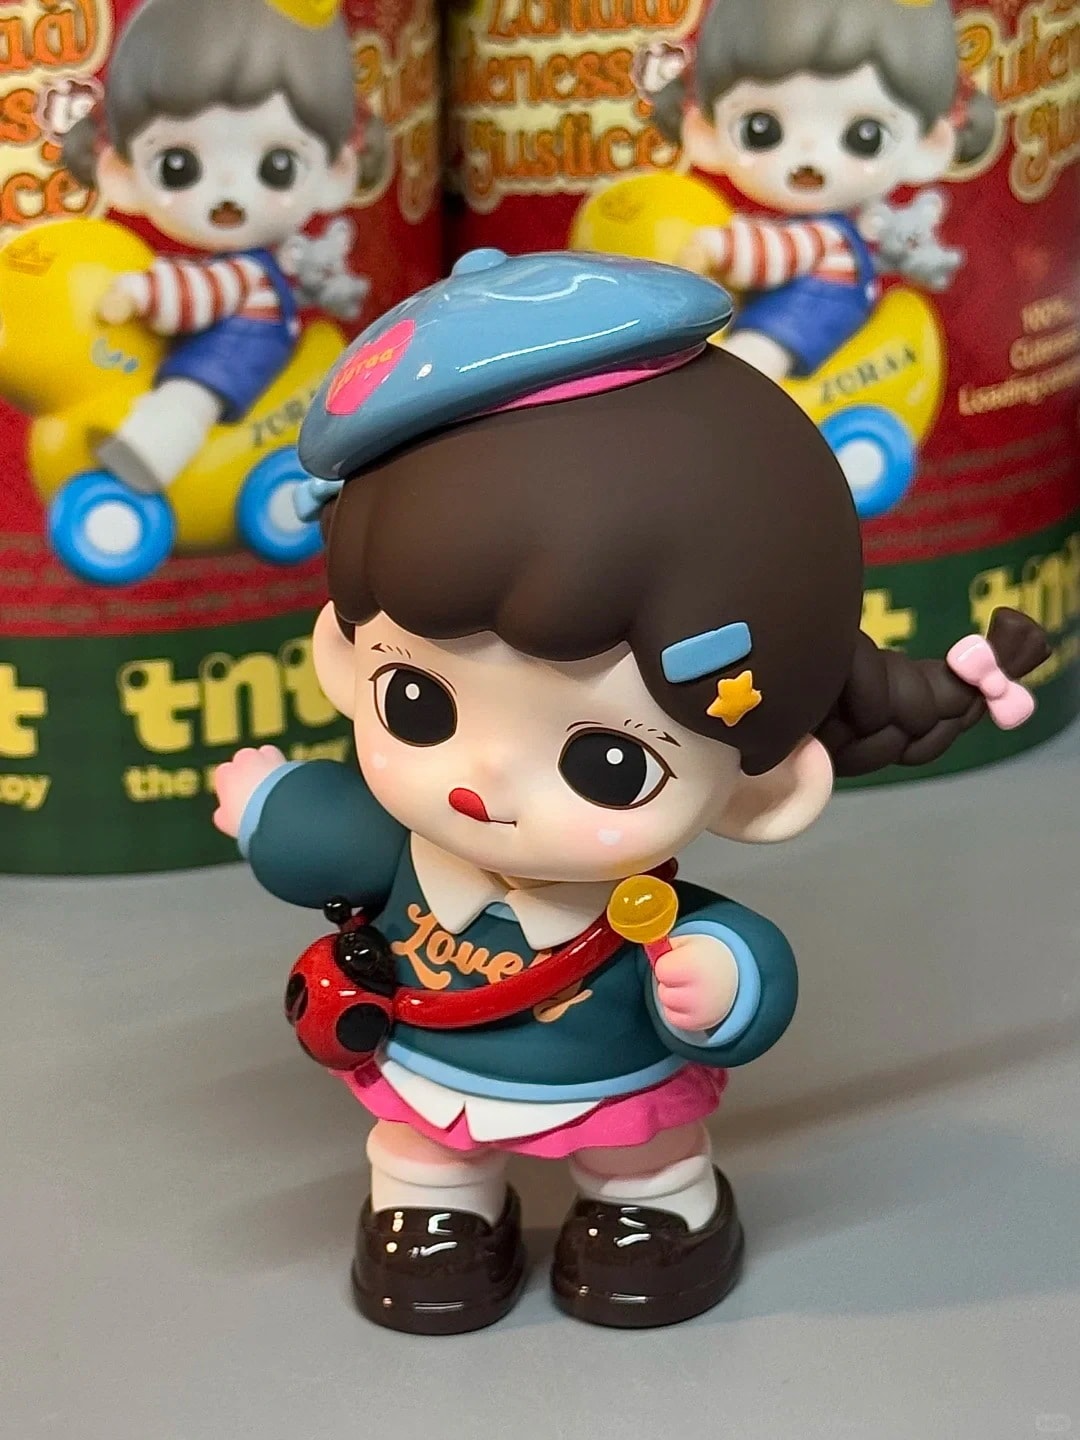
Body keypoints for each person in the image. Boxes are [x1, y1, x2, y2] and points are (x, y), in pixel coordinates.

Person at [213, 249, 1048, 1334]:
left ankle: (657, 1214)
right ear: (344, 656)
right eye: (416, 702)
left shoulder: (642, 913)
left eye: (609, 764)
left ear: (760, 790)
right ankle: (436, 1214)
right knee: (422, 1147)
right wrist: (270, 807)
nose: (481, 783)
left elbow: (747, 968)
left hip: (610, 1083)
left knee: (639, 1151)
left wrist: (723, 984)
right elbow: (328, 839)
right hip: (427, 1066)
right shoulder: (411, 848)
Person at [63, 0, 385, 494]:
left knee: (190, 392)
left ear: (336, 174)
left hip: (242, 344)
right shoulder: (259, 266)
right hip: (248, 335)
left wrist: (139, 293)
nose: (229, 192)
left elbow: (198, 293)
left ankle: (151, 455)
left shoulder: (243, 273)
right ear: (121, 175)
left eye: (277, 167)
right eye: (178, 167)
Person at [643, 0, 996, 379]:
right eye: (761, 129)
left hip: (806, 315)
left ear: (928, 148)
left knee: (753, 355)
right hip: (787, 306)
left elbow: (780, 253)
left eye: (866, 136)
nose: (810, 155)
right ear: (705, 135)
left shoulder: (827, 236)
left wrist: (717, 247)